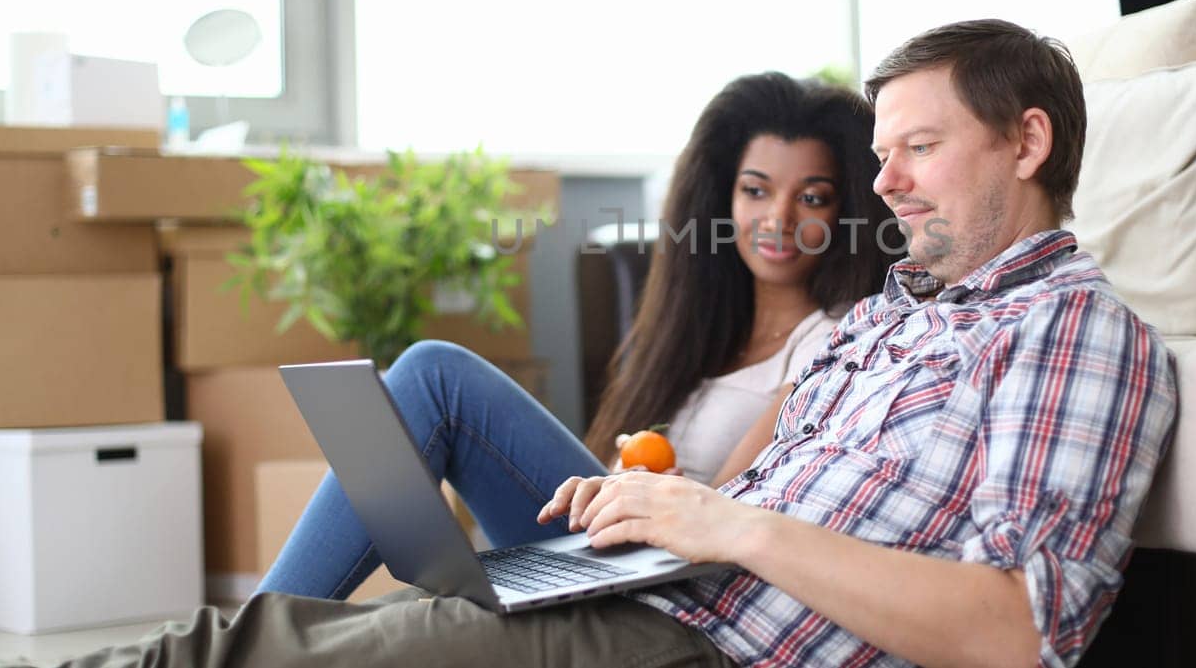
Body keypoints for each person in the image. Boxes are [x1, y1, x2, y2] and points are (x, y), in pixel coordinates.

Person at [49, 20, 1177, 668]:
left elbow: (1025, 630)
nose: (884, 185)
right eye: (881, 155)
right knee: (285, 635)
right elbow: (753, 501)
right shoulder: (897, 314)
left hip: (704, 650)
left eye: (916, 149)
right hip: (659, 595)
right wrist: (662, 512)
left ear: (1026, 142)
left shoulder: (1072, 334)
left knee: (261, 655)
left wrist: (725, 522)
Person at [254, 71, 900, 600]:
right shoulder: (703, 334)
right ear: (722, 200)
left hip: (681, 580)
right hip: (622, 548)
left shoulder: (834, 339)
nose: (778, 218)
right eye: (756, 190)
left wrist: (639, 483)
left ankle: (251, 633)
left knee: (434, 375)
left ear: (843, 212)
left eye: (812, 198)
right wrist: (627, 470)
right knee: (426, 390)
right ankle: (264, 632)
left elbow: (729, 508)